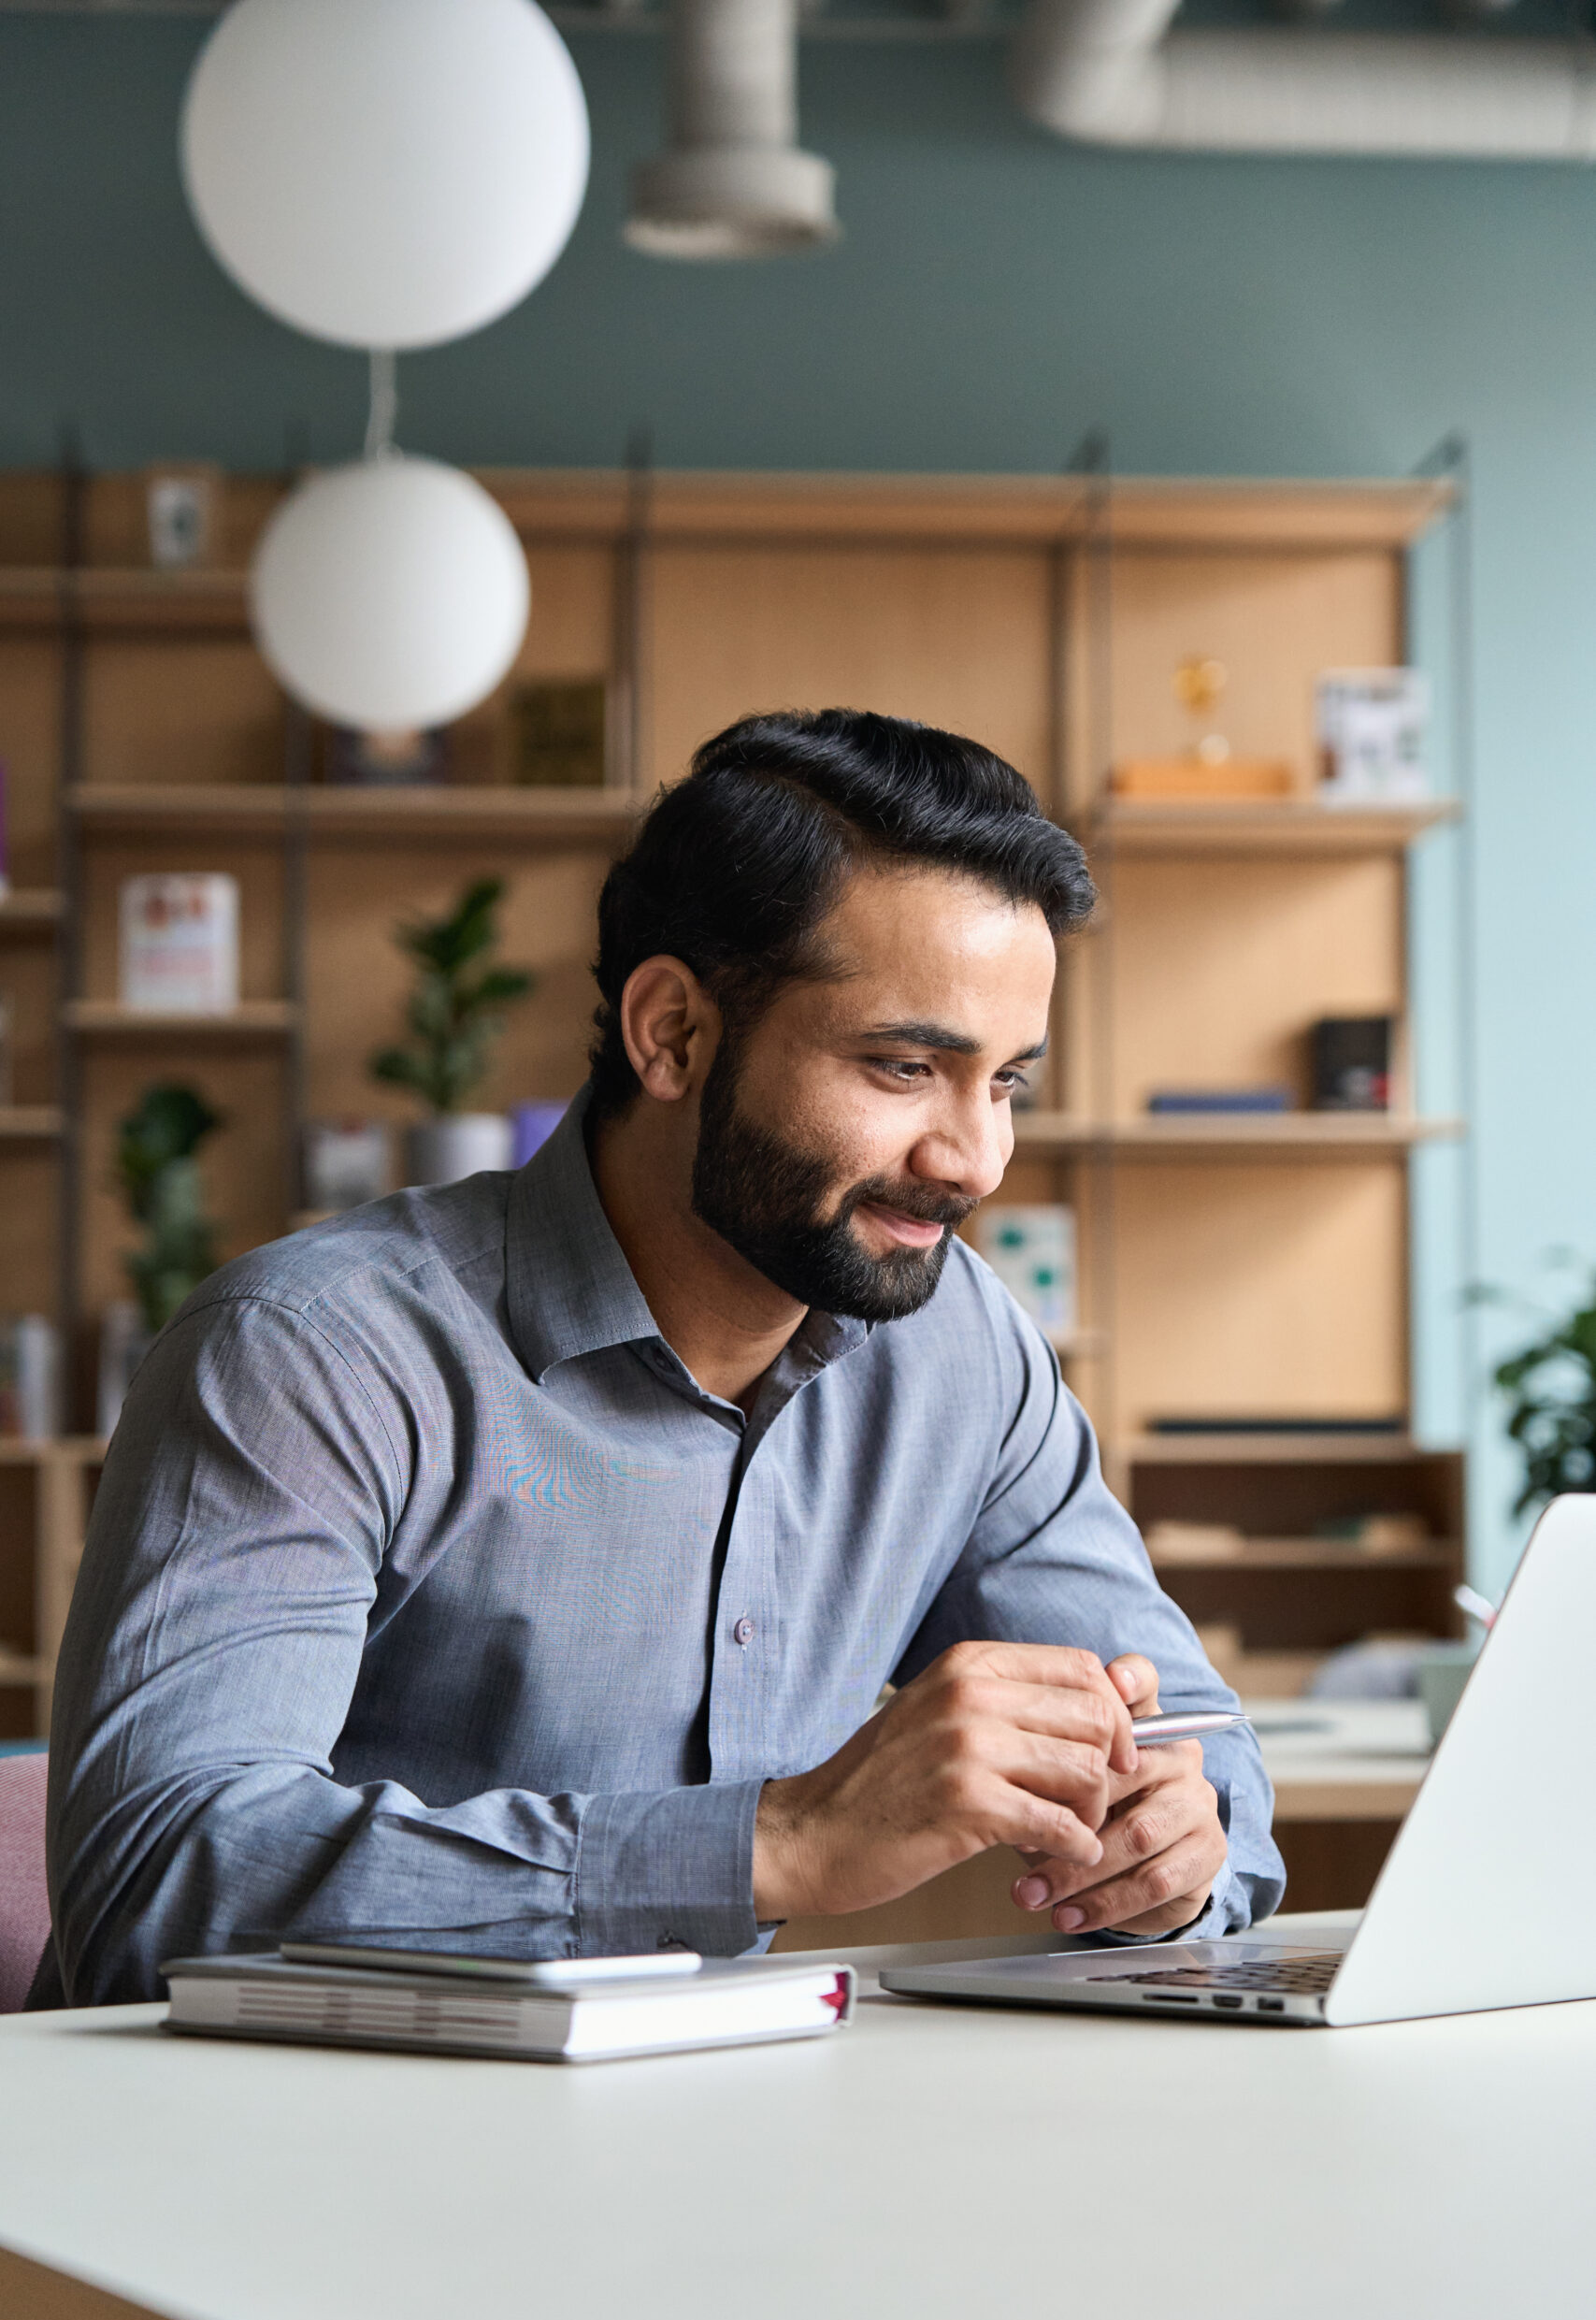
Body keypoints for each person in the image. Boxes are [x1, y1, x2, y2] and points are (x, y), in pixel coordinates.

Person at [36, 709, 1282, 2008]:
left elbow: (1208, 1757)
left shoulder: (961, 1351)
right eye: (906, 1067)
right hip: (278, 2162)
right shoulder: (313, 1356)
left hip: (704, 2142)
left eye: (1006, 1085)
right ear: (673, 1033)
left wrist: (1174, 1855)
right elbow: (158, 1883)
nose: (972, 1158)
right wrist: (779, 1845)